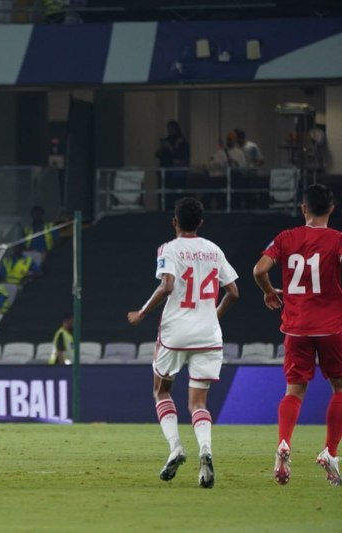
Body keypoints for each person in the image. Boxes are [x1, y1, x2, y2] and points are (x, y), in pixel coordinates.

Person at [127, 197, 239, 489]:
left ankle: (176, 448)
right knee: (198, 402)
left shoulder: (169, 248)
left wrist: (142, 312)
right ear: (200, 222)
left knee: (161, 390)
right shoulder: (214, 249)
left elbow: (166, 285)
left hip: (175, 333)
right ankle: (206, 450)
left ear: (174, 222)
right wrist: (212, 316)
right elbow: (234, 292)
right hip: (208, 335)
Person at [253, 184, 342, 487]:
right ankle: (330, 452)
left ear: (303, 208)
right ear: (332, 209)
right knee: (340, 387)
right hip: (331, 327)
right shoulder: (337, 239)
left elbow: (259, 270)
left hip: (296, 327)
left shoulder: (285, 238)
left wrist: (269, 292)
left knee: (294, 390)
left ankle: (283, 443)